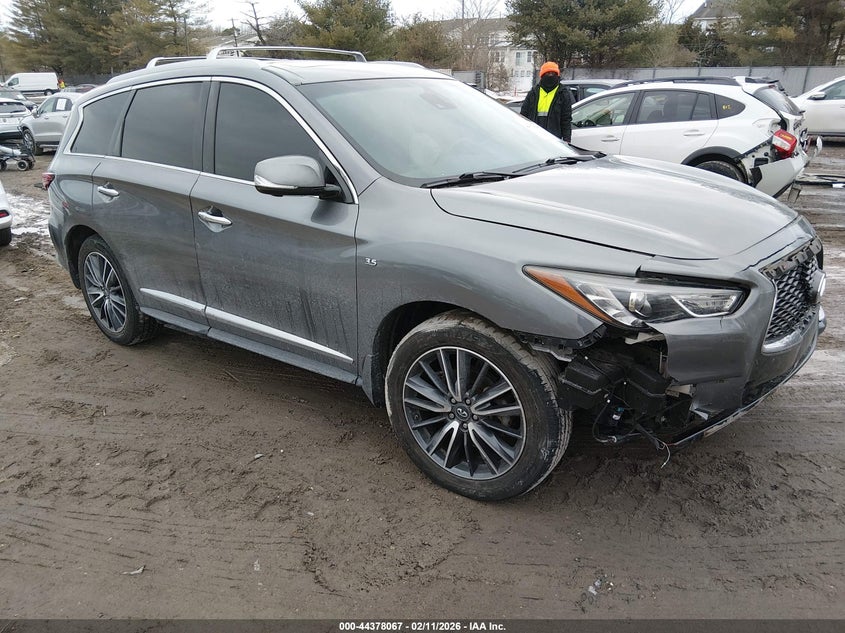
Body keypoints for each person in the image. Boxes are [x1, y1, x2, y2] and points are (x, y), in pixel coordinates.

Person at [520, 61, 572, 142]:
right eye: (548, 73)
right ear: (542, 75)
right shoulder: (534, 92)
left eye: (553, 73)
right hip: (533, 137)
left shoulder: (563, 93)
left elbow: (566, 119)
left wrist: (567, 138)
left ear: (557, 75)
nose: (550, 76)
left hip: (554, 139)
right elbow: (523, 115)